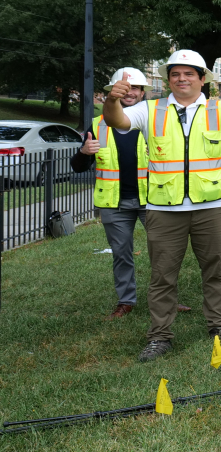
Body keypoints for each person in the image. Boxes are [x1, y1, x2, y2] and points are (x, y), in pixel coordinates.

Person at [102, 51, 221, 361]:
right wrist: (111, 100)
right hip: (164, 209)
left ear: (203, 79)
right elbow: (116, 120)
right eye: (175, 74)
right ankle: (160, 337)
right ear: (169, 79)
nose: (182, 79)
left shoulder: (220, 108)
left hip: (211, 207)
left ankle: (220, 327)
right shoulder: (150, 109)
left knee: (216, 270)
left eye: (189, 74)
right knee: (162, 276)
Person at [71, 67, 149, 318]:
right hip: (114, 203)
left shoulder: (155, 120)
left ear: (142, 92)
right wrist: (84, 153)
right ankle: (126, 300)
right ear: (112, 91)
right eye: (124, 87)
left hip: (155, 199)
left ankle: (167, 299)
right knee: (121, 253)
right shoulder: (97, 124)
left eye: (135, 88)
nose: (130, 92)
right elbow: (78, 166)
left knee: (164, 253)